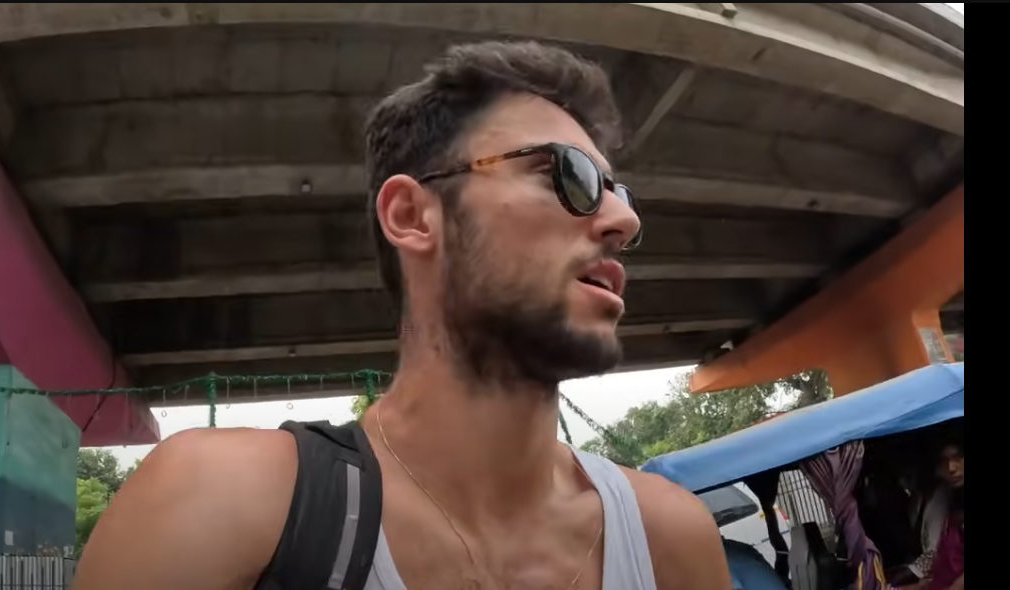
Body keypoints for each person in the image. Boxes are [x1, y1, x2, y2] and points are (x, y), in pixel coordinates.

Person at [70, 41, 732, 590]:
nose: (624, 220)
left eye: (619, 193)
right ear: (413, 216)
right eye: (571, 176)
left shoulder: (669, 538)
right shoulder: (222, 505)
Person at [898, 437, 964, 590]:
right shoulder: (951, 504)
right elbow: (946, 564)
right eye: (944, 460)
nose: (951, 467)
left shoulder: (941, 497)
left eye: (959, 457)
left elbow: (932, 552)